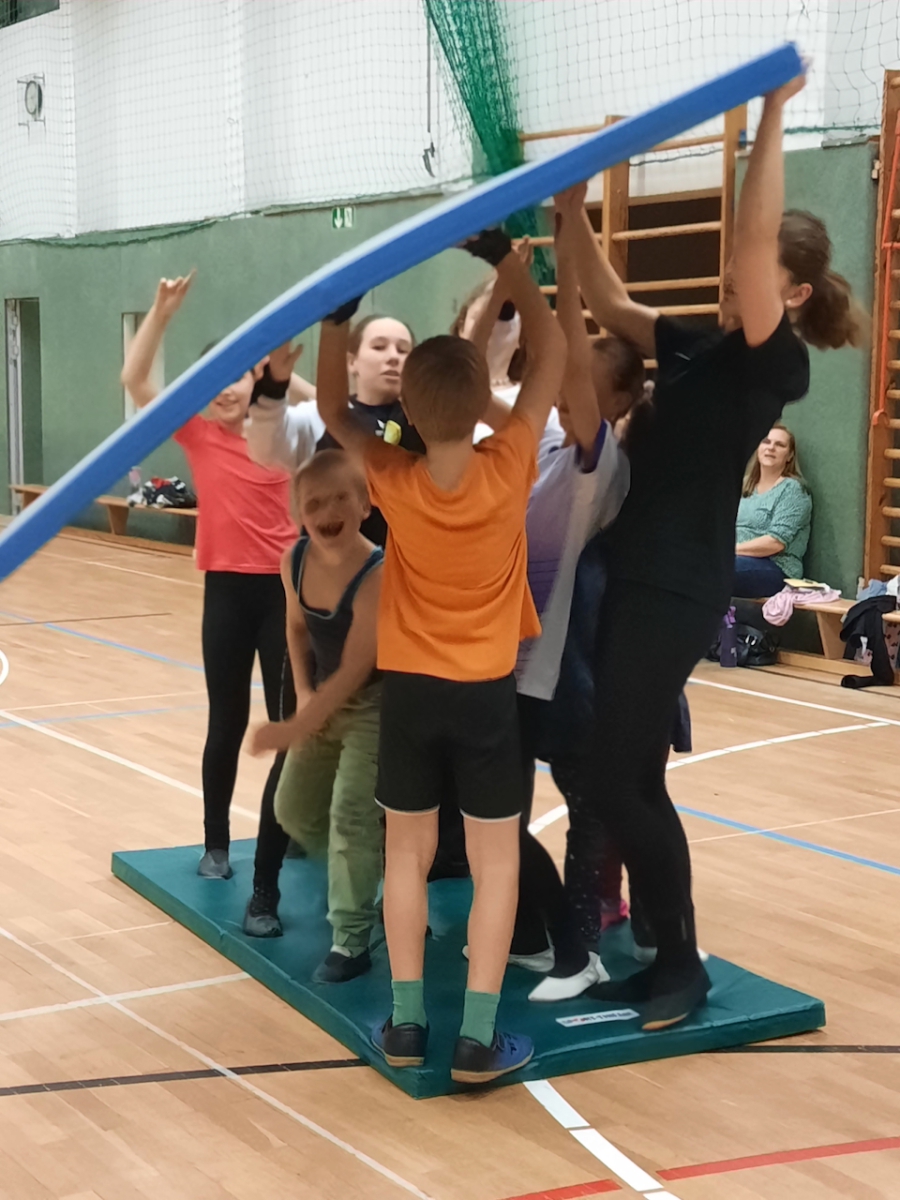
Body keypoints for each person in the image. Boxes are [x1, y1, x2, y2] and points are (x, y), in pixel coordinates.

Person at [559, 70, 862, 1031]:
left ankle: (680, 961)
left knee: (618, 778)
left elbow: (755, 232)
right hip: (636, 575)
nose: (735, 270)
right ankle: (668, 954)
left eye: (754, 265)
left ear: (794, 290)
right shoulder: (694, 346)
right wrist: (572, 206)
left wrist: (770, 116)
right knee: (629, 777)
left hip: (676, 586)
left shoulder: (774, 362)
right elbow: (607, 296)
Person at [316, 232, 566, 1085]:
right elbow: (553, 355)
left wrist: (336, 319)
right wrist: (510, 267)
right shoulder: (512, 457)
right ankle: (476, 1040)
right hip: (485, 696)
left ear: (411, 415)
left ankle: (408, 1023)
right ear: (481, 397)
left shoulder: (394, 473)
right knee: (497, 863)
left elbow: (334, 406)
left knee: (405, 856)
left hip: (413, 696)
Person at [120, 272, 315, 942]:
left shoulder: (286, 433)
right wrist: (160, 313)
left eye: (237, 375)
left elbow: (316, 401)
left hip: (286, 595)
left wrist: (272, 367)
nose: (227, 389)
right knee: (226, 721)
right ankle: (215, 844)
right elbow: (135, 380)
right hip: (227, 594)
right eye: (215, 379)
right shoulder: (199, 435)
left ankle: (287, 833)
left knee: (288, 725)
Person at [247, 450, 384, 984]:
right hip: (324, 697)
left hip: (374, 705)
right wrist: (304, 695)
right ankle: (367, 873)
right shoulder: (295, 560)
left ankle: (352, 938)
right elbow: (297, 628)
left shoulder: (377, 572)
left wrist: (295, 725)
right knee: (292, 808)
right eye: (314, 503)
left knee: (351, 813)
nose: (328, 512)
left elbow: (356, 668)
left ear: (366, 504)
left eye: (341, 498)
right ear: (298, 512)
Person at [246, 313, 421, 547]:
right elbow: (264, 450)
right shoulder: (317, 416)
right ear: (351, 362)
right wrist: (273, 386)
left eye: (403, 350)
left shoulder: (426, 423)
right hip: (329, 565)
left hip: (406, 563)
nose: (393, 357)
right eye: (379, 347)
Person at [734, 422, 812, 597]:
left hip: (776, 568)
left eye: (779, 445)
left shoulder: (793, 490)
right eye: (766, 442)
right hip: (736, 559)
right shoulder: (744, 485)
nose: (771, 448)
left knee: (713, 570)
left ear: (789, 456)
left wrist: (729, 550)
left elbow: (775, 543)